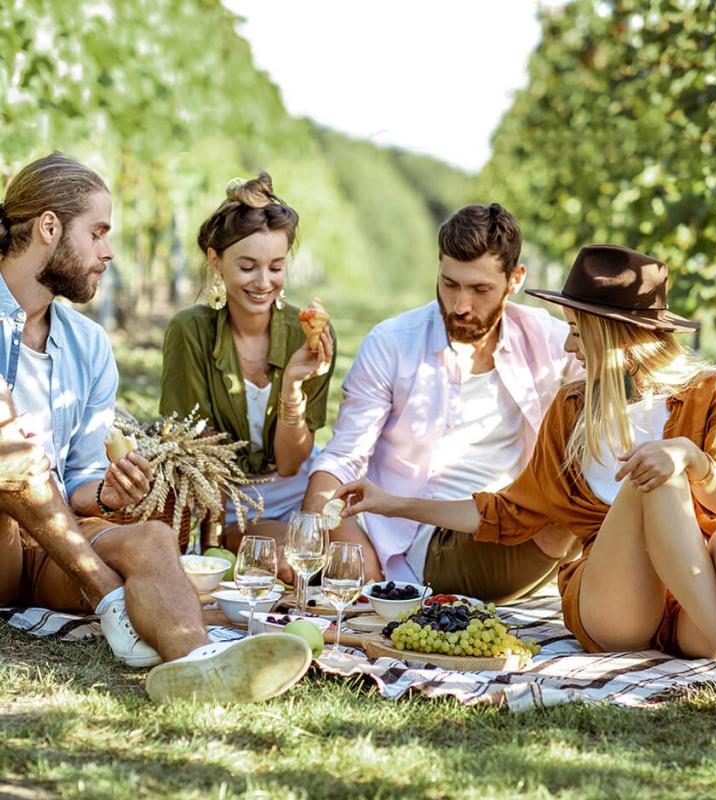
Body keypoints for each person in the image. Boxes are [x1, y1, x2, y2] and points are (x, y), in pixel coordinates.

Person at [336, 243, 716, 734]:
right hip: (617, 603)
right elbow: (507, 512)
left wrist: (691, 456)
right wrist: (390, 502)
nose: (568, 348)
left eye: (577, 333)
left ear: (615, 335)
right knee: (649, 479)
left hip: (691, 607)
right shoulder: (572, 409)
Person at [0, 153, 311, 703]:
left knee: (154, 538)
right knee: (11, 450)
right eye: (96, 232)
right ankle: (108, 597)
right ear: (49, 227)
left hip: (53, 544)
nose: (107, 252)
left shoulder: (88, 345)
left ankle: (199, 665)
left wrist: (105, 490)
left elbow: (79, 478)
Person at [302, 203, 581, 598]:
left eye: (480, 289)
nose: (460, 305)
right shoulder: (393, 343)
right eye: (449, 284)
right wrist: (327, 529)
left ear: (515, 279)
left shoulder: (548, 339)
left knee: (596, 480)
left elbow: (617, 387)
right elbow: (343, 456)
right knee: (564, 518)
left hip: (509, 522)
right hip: (424, 540)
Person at [160, 174, 335, 562]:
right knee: (283, 559)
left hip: (297, 488)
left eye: (275, 267)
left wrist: (291, 384)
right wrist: (215, 541)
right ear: (215, 261)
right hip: (230, 499)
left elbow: (291, 464)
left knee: (350, 559)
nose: (263, 282)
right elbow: (198, 453)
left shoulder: (309, 332)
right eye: (248, 266)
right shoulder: (191, 331)